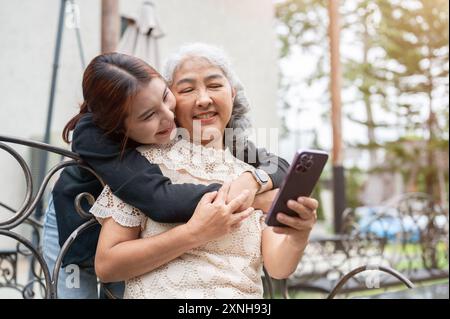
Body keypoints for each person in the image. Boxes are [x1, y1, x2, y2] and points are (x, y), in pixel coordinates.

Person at [42, 47, 289, 298]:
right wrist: (250, 198)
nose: (169, 117)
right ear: (119, 126)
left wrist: (256, 178)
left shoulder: (169, 112)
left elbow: (277, 165)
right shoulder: (96, 136)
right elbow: (160, 200)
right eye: (149, 115)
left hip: (132, 228)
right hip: (79, 218)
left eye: (165, 97)